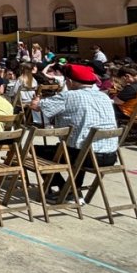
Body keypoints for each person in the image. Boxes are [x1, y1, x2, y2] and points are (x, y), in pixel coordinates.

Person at [28, 64, 117, 202]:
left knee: (36, 150)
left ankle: (66, 189)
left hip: (85, 156)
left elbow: (36, 106)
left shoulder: (68, 96)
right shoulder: (104, 97)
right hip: (110, 155)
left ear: (70, 81)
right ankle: (74, 188)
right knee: (76, 146)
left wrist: (37, 101)